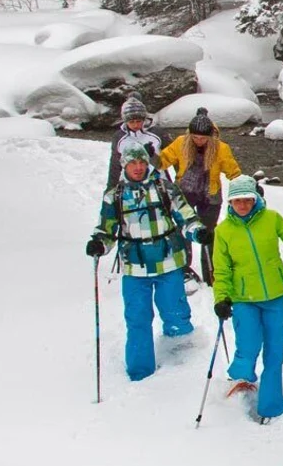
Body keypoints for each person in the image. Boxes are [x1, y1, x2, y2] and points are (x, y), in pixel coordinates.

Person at [87, 141, 208, 381]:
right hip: (134, 265)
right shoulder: (115, 196)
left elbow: (186, 217)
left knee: (175, 312)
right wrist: (100, 244)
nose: (139, 167)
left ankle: (183, 363)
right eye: (133, 163)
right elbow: (108, 230)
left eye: (142, 162)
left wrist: (198, 231)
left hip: (169, 261)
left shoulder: (165, 188)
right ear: (124, 165)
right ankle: (140, 372)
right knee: (137, 318)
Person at [212, 176, 283, 423]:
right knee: (248, 344)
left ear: (255, 199)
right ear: (230, 202)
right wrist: (221, 298)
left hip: (277, 295)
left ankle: (271, 407)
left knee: (275, 352)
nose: (242, 205)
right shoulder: (223, 231)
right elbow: (221, 270)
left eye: (247, 199)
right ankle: (241, 377)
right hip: (243, 298)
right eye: (237, 201)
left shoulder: (271, 218)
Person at [158, 107, 243, 283]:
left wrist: (247, 187)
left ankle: (211, 274)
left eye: (203, 138)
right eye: (195, 137)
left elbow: (233, 172)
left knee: (208, 235)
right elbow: (163, 161)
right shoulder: (181, 143)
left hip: (210, 196)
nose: (198, 141)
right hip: (184, 194)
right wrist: (151, 157)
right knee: (184, 231)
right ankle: (184, 270)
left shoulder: (221, 149)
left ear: (210, 136)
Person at [105, 93, 164, 192]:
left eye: (139, 121)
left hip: (158, 184)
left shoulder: (157, 133)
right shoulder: (119, 137)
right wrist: (110, 189)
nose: (136, 125)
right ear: (125, 121)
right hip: (130, 185)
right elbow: (115, 165)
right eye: (131, 122)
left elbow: (173, 157)